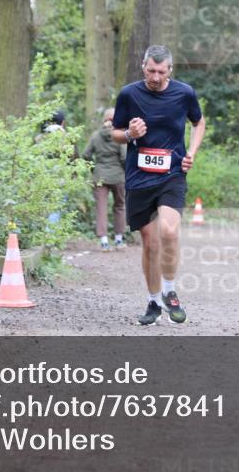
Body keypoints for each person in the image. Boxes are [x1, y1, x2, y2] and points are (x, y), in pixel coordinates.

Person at [111, 45, 206, 326]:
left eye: (161, 72)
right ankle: (153, 302)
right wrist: (129, 133)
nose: (155, 76)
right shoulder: (129, 94)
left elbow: (198, 123)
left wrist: (192, 152)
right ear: (143, 66)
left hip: (172, 173)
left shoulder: (184, 93)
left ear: (170, 71)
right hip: (139, 177)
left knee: (169, 229)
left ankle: (170, 291)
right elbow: (115, 133)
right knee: (150, 243)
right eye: (151, 70)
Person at [83, 108, 127, 251]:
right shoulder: (120, 136)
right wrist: (124, 171)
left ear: (104, 120)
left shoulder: (96, 136)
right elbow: (124, 157)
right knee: (120, 206)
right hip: (118, 176)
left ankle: (104, 242)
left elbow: (86, 155)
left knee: (101, 208)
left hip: (99, 176)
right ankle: (119, 241)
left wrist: (94, 169)